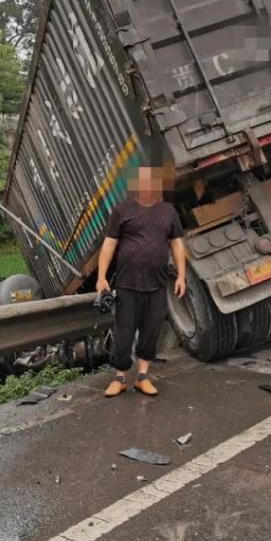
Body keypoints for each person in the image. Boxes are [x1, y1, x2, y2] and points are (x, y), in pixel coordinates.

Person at [97, 159, 187, 398]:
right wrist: (101, 277)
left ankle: (143, 377)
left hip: (156, 284)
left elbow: (176, 243)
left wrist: (182, 276)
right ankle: (119, 378)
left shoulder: (168, 211)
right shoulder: (122, 210)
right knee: (124, 334)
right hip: (127, 285)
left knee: (150, 332)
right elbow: (109, 244)